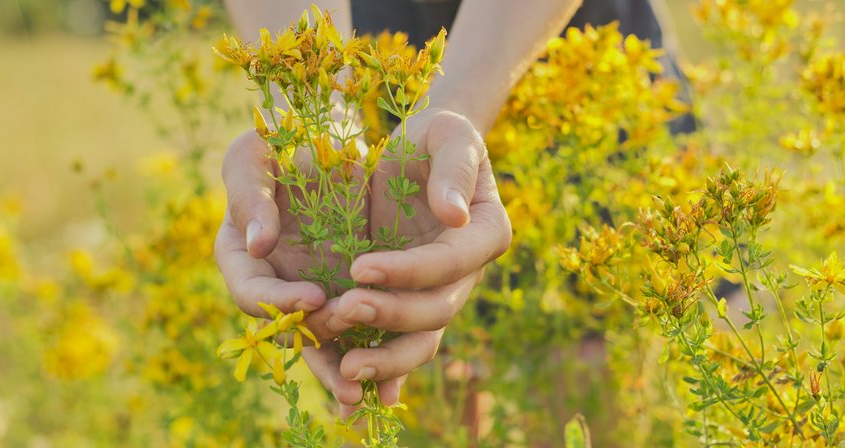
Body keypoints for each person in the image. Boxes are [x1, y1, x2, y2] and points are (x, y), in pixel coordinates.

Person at [215, 0, 687, 418]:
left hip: (573, 60)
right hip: (378, 40)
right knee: (418, 384)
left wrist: (456, 105)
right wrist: (313, 124)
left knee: (580, 374)